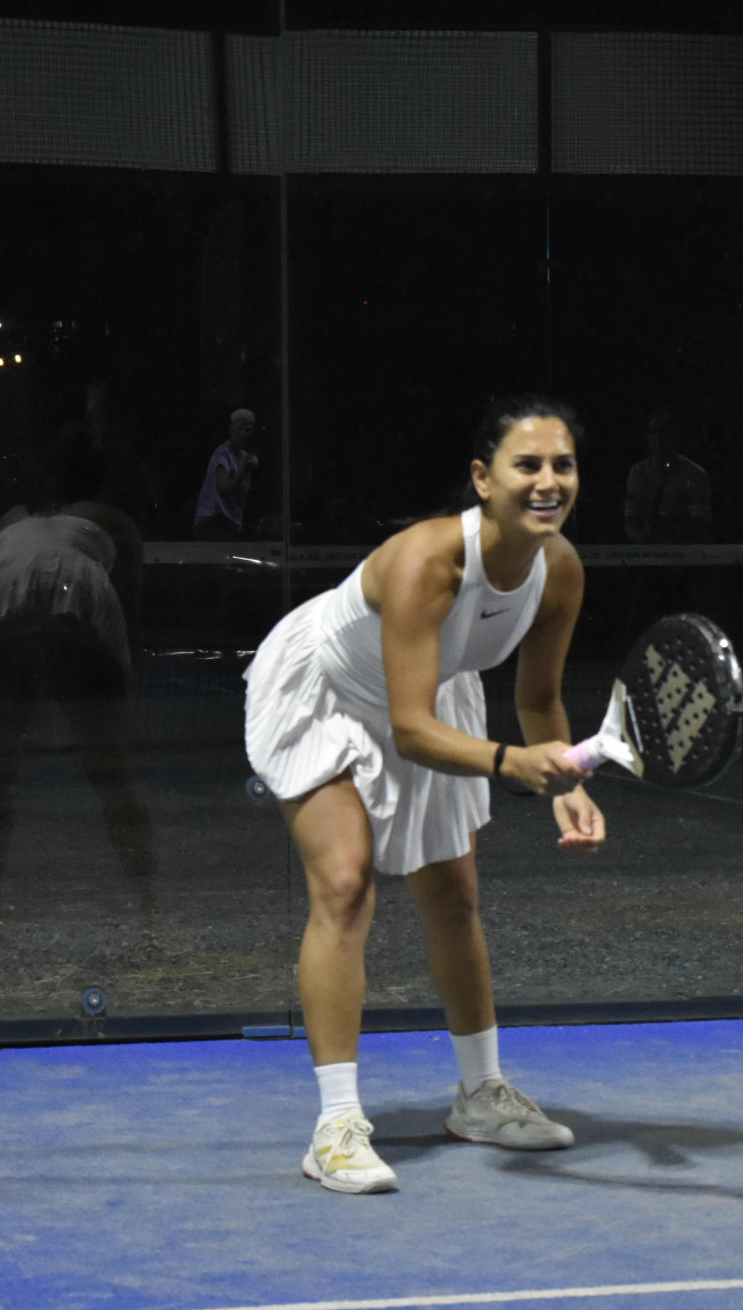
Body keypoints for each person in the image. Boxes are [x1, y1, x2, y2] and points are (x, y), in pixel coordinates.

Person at [244, 394, 605, 1194]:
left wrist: (565, 786)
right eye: (527, 465)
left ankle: (480, 1094)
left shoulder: (560, 571)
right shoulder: (426, 559)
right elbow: (409, 731)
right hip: (331, 693)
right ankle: (336, 1127)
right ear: (483, 478)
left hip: (433, 698)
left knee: (454, 894)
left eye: (563, 464)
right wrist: (510, 763)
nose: (548, 481)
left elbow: (539, 699)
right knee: (345, 882)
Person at [0, 424, 155, 923]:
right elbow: (130, 603)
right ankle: (146, 902)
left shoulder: (10, 520)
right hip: (73, 606)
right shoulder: (115, 521)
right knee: (109, 767)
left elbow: (8, 579)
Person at [622, 406, 713, 543]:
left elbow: (700, 522)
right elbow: (631, 517)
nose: (659, 437)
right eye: (653, 432)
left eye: (665, 431)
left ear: (676, 436)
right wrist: (646, 541)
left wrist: (673, 534)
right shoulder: (638, 472)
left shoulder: (695, 474)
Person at [194, 408, 259, 539]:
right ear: (231, 428)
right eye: (239, 428)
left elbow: (240, 501)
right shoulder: (223, 453)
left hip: (231, 525)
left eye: (247, 430)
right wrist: (243, 472)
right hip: (212, 521)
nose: (242, 433)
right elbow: (222, 489)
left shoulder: (245, 459)